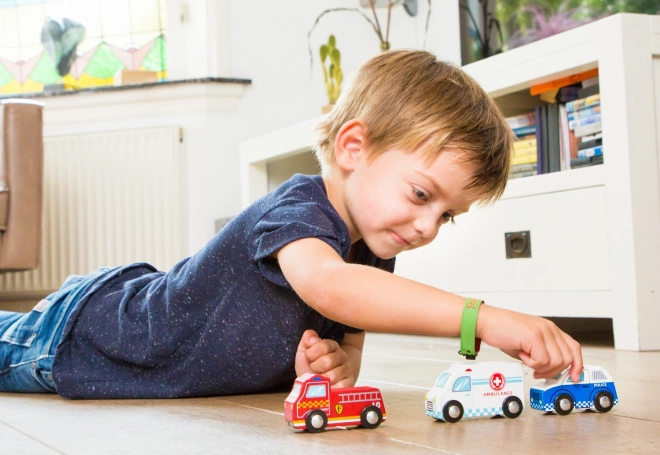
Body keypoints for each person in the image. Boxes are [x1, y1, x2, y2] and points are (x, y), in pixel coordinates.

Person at [0, 50, 582, 399]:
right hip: (81, 336)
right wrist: (482, 321)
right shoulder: (299, 210)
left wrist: (333, 368)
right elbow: (332, 288)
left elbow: (348, 345)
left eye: (446, 216)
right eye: (421, 194)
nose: (428, 226)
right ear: (354, 146)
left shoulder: (374, 249)